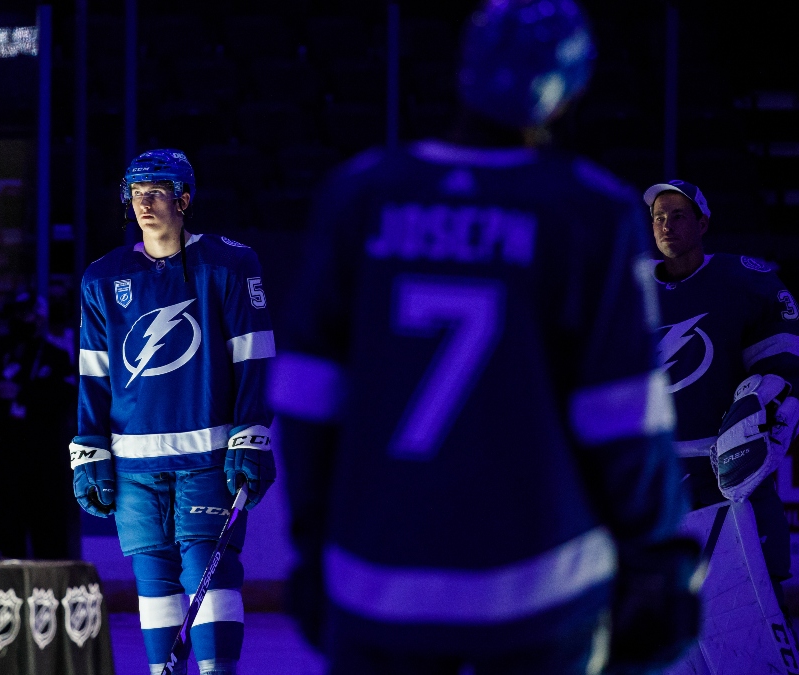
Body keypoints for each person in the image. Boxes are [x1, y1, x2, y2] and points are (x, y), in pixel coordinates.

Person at [271, 1, 694, 673]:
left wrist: (310, 541)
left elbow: (305, 397)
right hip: (543, 587)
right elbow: (624, 415)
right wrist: (660, 558)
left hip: (375, 581)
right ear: (571, 87)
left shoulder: (359, 195)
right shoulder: (590, 210)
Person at [70, 149, 275, 675]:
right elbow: (93, 373)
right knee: (154, 580)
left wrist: (251, 432)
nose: (144, 202)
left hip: (207, 457)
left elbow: (254, 354)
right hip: (134, 464)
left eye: (157, 192)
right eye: (136, 193)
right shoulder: (102, 278)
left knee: (210, 569)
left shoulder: (229, 264)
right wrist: (88, 448)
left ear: (184, 200)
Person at [645, 179, 799, 673]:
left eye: (679, 215)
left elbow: (793, 363)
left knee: (752, 631)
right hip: (654, 488)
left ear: (703, 222)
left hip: (728, 481)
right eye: (659, 216)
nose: (667, 224)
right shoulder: (628, 289)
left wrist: (772, 403)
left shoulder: (744, 280)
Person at [0, 291, 78, 560]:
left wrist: (23, 393)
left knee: (48, 527)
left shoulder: (55, 356)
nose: (24, 319)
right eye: (18, 314)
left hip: (43, 456)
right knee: (8, 526)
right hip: (4, 456)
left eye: (29, 313)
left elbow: (65, 397)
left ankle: (53, 585)